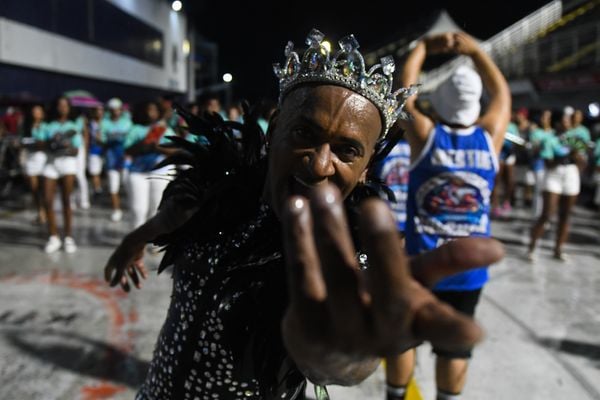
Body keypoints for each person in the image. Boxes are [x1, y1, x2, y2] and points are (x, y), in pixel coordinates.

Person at [104, 29, 504, 400]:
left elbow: (338, 364)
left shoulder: (343, 259)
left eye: (347, 150)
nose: (318, 165)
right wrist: (134, 240)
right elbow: (172, 217)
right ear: (276, 125)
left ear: (366, 168)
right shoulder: (214, 188)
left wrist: (341, 350)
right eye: (304, 134)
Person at [391, 32, 510, 400]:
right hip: (467, 270)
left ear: (441, 104)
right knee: (455, 349)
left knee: (402, 339)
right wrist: (473, 50)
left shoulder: (426, 135)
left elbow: (403, 93)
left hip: (421, 262)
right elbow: (502, 94)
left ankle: (394, 395)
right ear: (475, 106)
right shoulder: (490, 138)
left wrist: (423, 48)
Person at [527, 109, 591, 261]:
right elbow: (548, 162)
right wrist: (566, 155)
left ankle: (558, 249)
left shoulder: (578, 139)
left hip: (571, 174)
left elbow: (583, 164)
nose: (567, 125)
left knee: (566, 215)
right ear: (557, 124)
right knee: (547, 213)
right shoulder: (551, 139)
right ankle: (533, 246)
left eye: (569, 122)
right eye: (564, 122)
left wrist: (578, 158)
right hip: (554, 174)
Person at [125, 101, 176, 229]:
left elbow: (176, 150)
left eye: (154, 110)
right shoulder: (135, 129)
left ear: (159, 112)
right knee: (138, 210)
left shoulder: (164, 129)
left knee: (156, 209)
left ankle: (154, 242)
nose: (151, 113)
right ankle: (137, 244)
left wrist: (158, 148)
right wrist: (144, 143)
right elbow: (127, 150)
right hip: (138, 172)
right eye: (148, 109)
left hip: (160, 172)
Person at [42, 96, 83, 253]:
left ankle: (68, 237)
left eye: (65, 105)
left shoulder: (73, 126)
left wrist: (65, 146)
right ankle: (53, 237)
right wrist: (51, 143)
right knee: (47, 200)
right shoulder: (48, 125)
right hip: (51, 163)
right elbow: (43, 144)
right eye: (60, 105)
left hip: (67, 164)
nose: (62, 108)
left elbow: (76, 150)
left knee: (66, 200)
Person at [101, 98, 133, 222]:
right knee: (113, 186)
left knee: (127, 183)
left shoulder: (128, 122)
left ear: (121, 110)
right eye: (113, 110)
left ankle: (132, 207)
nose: (115, 112)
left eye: (117, 109)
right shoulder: (104, 123)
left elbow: (131, 140)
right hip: (111, 157)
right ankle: (116, 209)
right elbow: (102, 140)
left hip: (125, 156)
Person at [21, 104, 49, 224]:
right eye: (34, 111)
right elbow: (23, 140)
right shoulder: (27, 125)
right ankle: (40, 211)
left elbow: (47, 142)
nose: (35, 114)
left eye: (38, 111)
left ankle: (47, 212)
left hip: (42, 157)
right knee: (34, 188)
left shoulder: (46, 126)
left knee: (44, 188)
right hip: (31, 156)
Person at [87, 105, 105, 196]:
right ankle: (97, 189)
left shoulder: (107, 123)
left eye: (101, 110)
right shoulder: (90, 124)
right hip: (94, 150)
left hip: (105, 151)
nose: (99, 113)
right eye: (97, 110)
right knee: (95, 172)